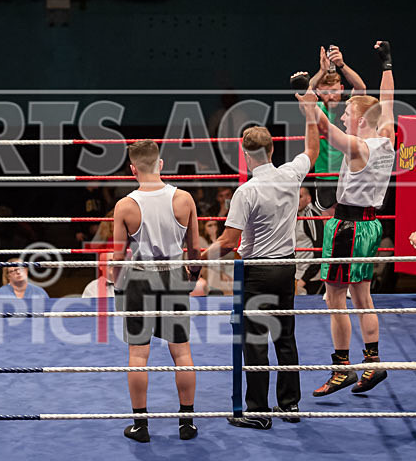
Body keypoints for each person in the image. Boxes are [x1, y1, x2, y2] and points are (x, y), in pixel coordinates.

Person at [203, 119, 320, 429]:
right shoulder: (291, 174)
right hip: (286, 267)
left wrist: (198, 260)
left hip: (258, 271)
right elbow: (313, 148)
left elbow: (228, 243)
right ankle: (290, 404)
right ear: (271, 148)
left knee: (255, 340)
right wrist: (309, 112)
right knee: (285, 336)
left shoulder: (247, 191)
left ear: (245, 155)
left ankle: (257, 410)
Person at [307, 41, 396, 397]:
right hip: (370, 225)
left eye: (348, 113)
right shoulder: (386, 137)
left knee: (334, 298)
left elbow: (327, 130)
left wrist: (307, 99)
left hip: (348, 227)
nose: (344, 115)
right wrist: (386, 63)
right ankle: (372, 364)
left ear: (359, 119)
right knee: (363, 297)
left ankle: (342, 368)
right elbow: (386, 100)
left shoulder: (360, 147)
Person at [112, 139, 202, 443]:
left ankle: (141, 425)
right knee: (182, 352)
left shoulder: (125, 205)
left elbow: (116, 256)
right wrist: (191, 279)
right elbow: (196, 250)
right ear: (160, 164)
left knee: (138, 354)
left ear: (132, 169)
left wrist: (115, 284)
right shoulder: (184, 199)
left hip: (139, 279)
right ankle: (186, 422)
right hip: (174, 276)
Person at [304, 45, 367, 217]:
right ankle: (328, 246)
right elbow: (305, 92)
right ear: (318, 92)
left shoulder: (350, 106)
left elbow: (361, 87)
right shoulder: (315, 107)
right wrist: (321, 70)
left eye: (333, 91)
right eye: (324, 92)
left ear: (340, 88)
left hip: (348, 173)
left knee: (350, 219)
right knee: (328, 219)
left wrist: (342, 64)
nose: (330, 96)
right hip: (324, 175)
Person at [295, 186, 324, 295]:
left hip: (310, 278)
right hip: (299, 274)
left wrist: (303, 280)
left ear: (309, 199)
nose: (297, 200)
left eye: (300, 197)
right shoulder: (298, 215)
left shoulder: (311, 216)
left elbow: (319, 250)